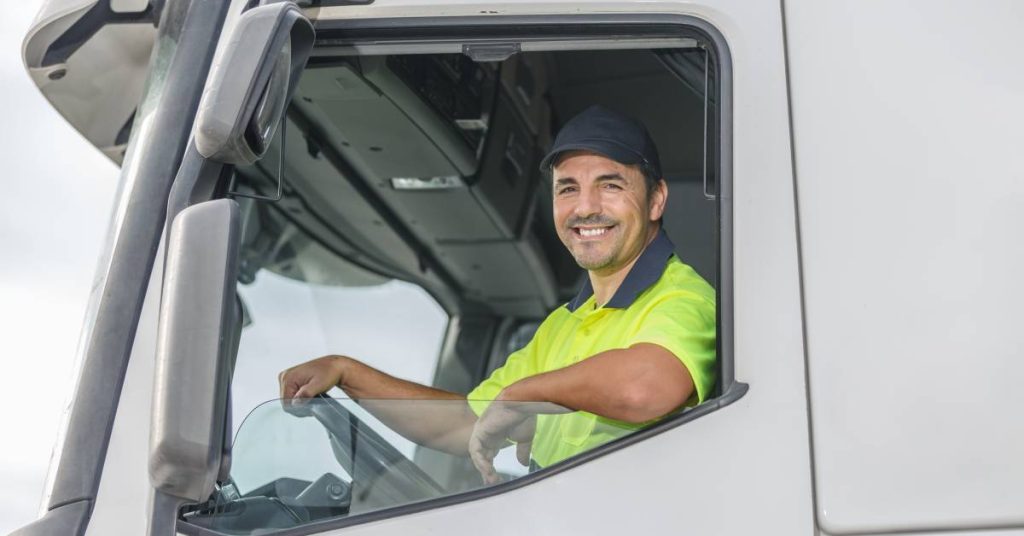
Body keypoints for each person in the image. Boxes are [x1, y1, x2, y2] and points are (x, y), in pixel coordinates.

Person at [279, 105, 716, 484]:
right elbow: (461, 425)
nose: (585, 207)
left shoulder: (682, 297)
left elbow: (646, 385)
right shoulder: (561, 326)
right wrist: (347, 370)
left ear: (656, 200)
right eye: (568, 188)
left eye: (611, 185)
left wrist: (522, 395)